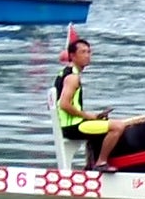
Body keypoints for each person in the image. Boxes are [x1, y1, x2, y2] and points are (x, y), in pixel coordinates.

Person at [54, 37, 132, 171]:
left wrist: (94, 116)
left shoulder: (65, 73)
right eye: (83, 52)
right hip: (71, 127)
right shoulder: (73, 77)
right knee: (118, 127)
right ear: (72, 56)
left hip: (71, 123)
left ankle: (90, 164)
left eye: (89, 52)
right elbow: (64, 104)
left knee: (103, 123)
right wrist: (87, 116)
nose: (87, 56)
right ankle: (100, 163)